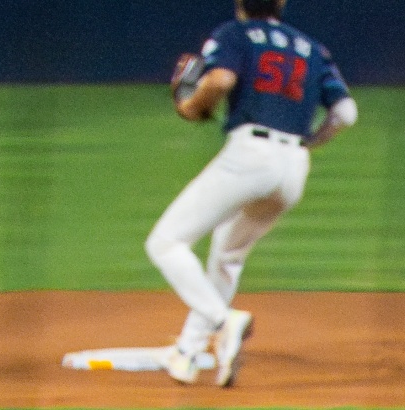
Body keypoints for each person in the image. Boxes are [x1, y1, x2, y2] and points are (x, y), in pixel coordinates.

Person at [147, 0, 356, 387]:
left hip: (250, 155)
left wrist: (190, 106)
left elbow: (219, 81)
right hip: (294, 167)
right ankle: (189, 352)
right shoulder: (312, 48)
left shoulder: (235, 33)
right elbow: (346, 113)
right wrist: (310, 142)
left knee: (166, 242)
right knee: (228, 252)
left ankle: (223, 321)